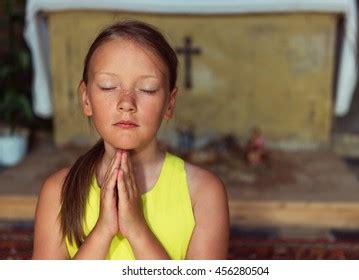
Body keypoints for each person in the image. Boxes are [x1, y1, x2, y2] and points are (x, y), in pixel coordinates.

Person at [32, 20, 229, 260]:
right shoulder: (58, 192)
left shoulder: (203, 192)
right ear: (86, 99)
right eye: (108, 86)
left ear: (170, 103)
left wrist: (137, 229)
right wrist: (103, 230)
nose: (126, 102)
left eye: (147, 89)